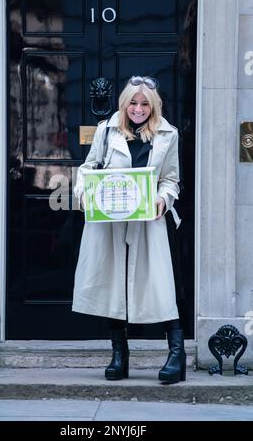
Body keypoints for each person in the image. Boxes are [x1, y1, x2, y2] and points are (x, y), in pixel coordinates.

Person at [73, 76, 186, 384]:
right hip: (111, 221)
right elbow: (88, 167)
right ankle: (119, 356)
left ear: (154, 106)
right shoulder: (105, 131)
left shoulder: (168, 134)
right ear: (124, 104)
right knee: (114, 284)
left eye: (145, 103)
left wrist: (164, 200)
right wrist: (84, 194)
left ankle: (177, 355)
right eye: (133, 103)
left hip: (149, 223)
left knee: (160, 287)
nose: (138, 109)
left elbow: (171, 179)